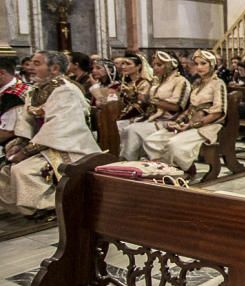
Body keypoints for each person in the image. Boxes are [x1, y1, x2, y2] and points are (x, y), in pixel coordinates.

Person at [0, 51, 100, 218]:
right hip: (44, 143)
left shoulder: (66, 90)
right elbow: (27, 122)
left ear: (54, 68)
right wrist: (20, 144)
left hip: (68, 145)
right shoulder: (35, 90)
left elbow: (58, 128)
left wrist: (26, 152)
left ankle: (50, 206)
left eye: (37, 64)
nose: (31, 67)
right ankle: (21, 207)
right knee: (6, 168)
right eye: (31, 63)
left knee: (24, 171)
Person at [143, 50, 227, 172]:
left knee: (174, 144)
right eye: (196, 64)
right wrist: (178, 121)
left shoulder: (218, 84)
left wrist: (191, 125)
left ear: (212, 64)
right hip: (190, 122)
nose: (199, 67)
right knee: (151, 140)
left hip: (208, 125)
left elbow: (217, 112)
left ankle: (179, 169)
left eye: (203, 63)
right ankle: (164, 167)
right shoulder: (197, 83)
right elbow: (190, 108)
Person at [119, 51, 192, 160]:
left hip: (169, 120)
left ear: (169, 65)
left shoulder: (181, 81)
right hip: (152, 117)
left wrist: (152, 101)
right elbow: (146, 100)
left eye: (159, 65)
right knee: (122, 126)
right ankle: (128, 161)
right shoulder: (158, 81)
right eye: (154, 65)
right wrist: (133, 95)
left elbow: (177, 107)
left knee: (131, 130)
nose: (155, 68)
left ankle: (129, 161)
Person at [0, 56, 29, 152]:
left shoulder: (13, 96)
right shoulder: (18, 84)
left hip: (14, 148)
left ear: (1, 73)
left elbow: (7, 132)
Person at [117, 52, 153, 123]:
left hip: (137, 117)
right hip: (122, 114)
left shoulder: (144, 83)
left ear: (138, 66)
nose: (123, 67)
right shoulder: (125, 83)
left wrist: (132, 94)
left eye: (128, 64)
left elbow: (142, 105)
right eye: (123, 64)